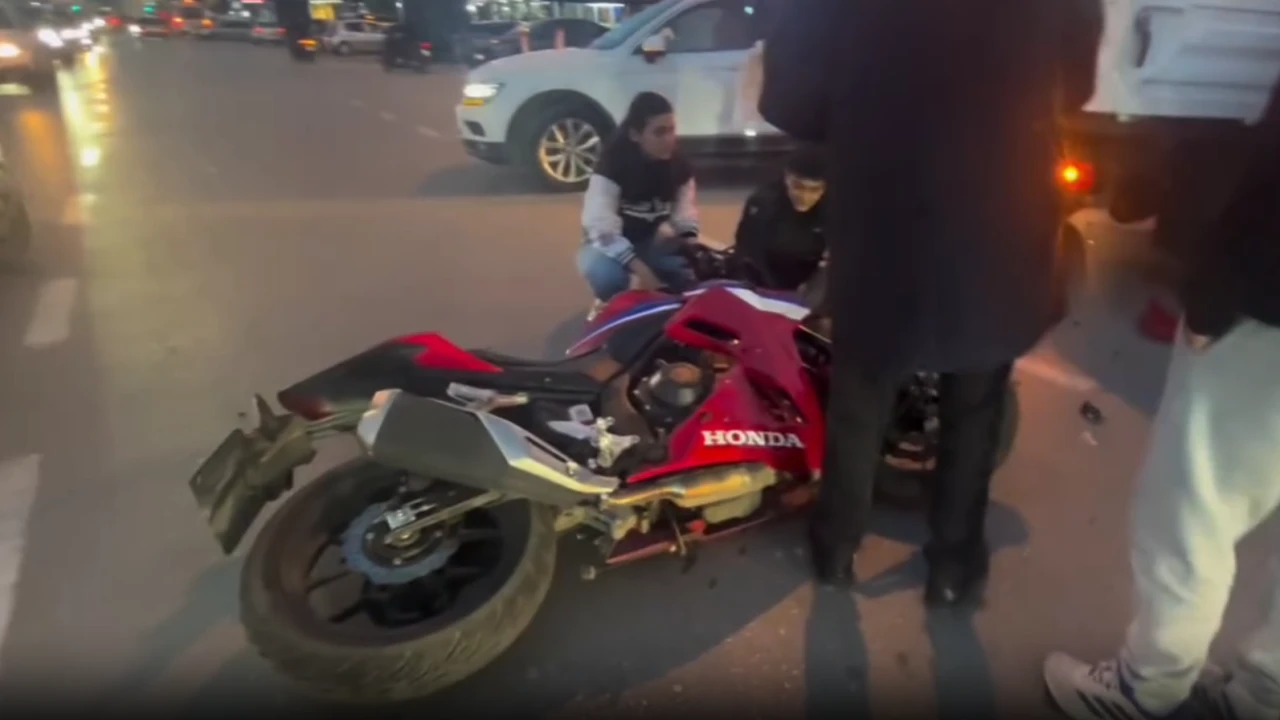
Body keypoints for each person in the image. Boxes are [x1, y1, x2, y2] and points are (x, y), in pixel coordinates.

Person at [759, 0, 1104, 604]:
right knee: (976, 406)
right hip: (998, 216)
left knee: (860, 401)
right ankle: (953, 565)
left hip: (886, 210)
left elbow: (791, 101)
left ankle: (836, 548)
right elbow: (1074, 85)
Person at [1043, 79, 1280, 720]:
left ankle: (1144, 687)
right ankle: (1264, 693)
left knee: (1194, 505)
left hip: (1267, 312)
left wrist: (1213, 298)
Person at [578, 92, 698, 311]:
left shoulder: (680, 166)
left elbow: (684, 215)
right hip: (605, 243)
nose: (668, 139)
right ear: (635, 134)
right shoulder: (612, 166)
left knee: (688, 273)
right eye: (659, 132)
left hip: (648, 241)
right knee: (606, 276)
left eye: (671, 130)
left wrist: (693, 251)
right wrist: (643, 272)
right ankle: (607, 303)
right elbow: (601, 229)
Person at [732, 146, 827, 295]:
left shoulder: (836, 209)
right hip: (768, 279)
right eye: (798, 187)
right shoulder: (763, 203)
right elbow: (749, 253)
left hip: (813, 282)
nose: (805, 196)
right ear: (786, 178)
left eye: (815, 190)